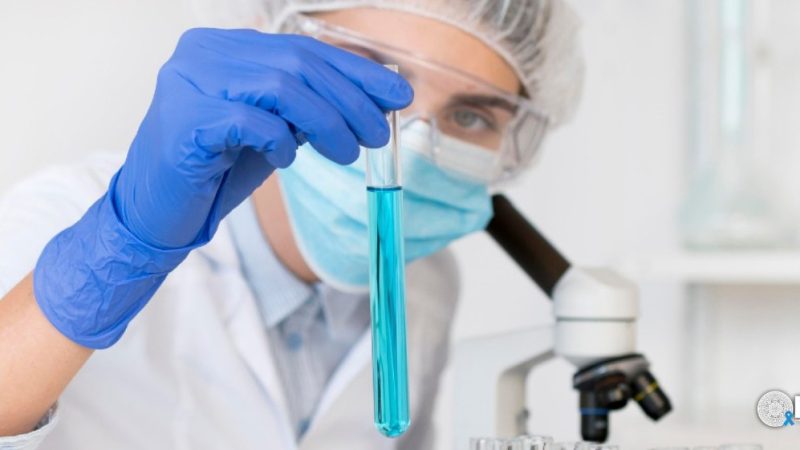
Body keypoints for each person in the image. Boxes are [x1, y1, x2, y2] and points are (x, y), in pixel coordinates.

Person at [0, 1, 583, 449]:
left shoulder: (429, 281)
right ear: (270, 41)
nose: (410, 146)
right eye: (366, 78)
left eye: (471, 116)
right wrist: (120, 247)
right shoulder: (67, 217)